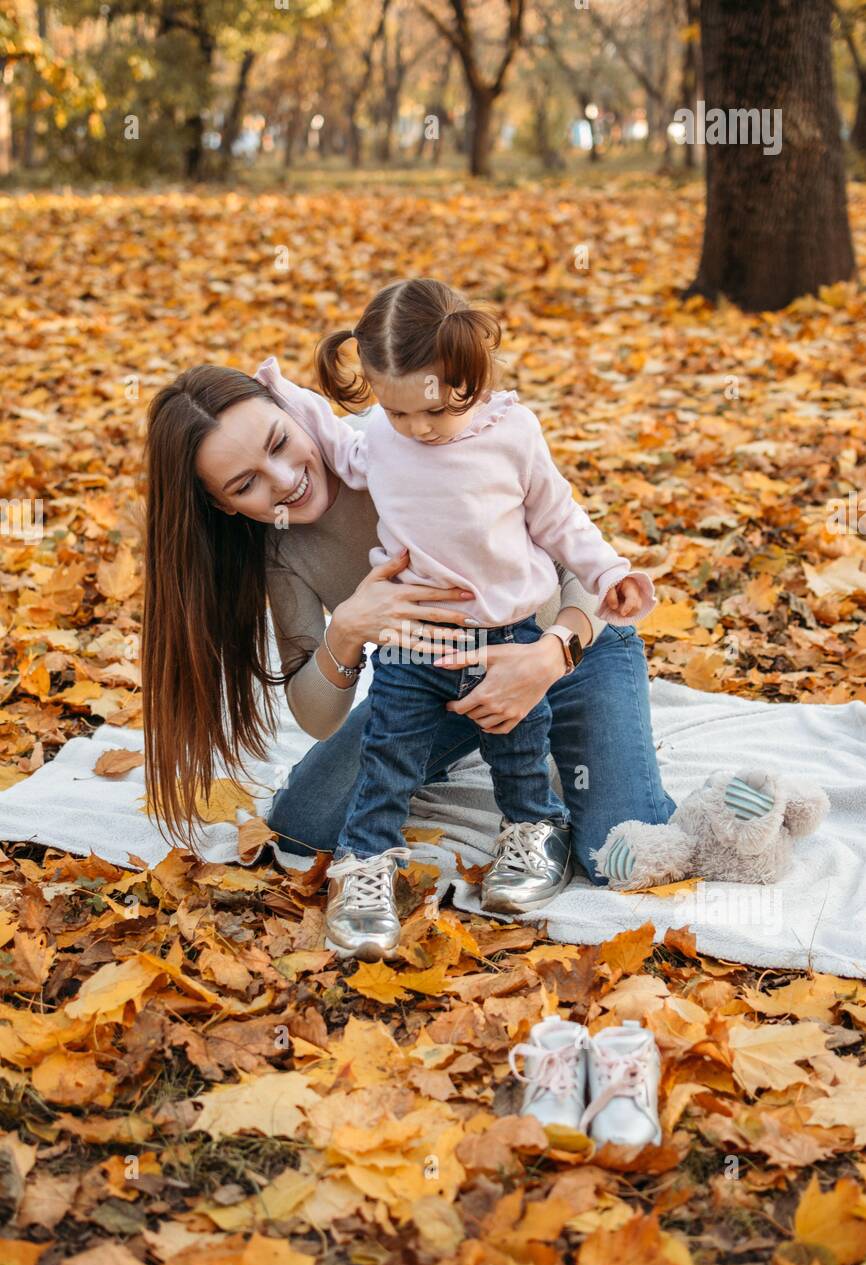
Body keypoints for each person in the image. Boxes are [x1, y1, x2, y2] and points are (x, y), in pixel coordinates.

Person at [142, 324, 675, 961]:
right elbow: (316, 716)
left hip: (566, 646)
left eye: (281, 443)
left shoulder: (405, 435)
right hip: (427, 681)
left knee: (616, 850)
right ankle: (492, 742)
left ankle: (549, 785)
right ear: (221, 505)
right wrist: (347, 630)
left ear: (298, 411)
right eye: (245, 484)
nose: (284, 480)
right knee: (309, 822)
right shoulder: (281, 550)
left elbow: (576, 556)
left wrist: (549, 655)